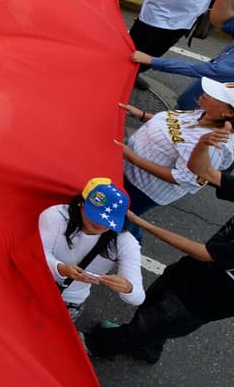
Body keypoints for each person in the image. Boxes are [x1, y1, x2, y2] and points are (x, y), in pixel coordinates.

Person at [86, 133, 234, 364]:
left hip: (209, 298)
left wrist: (143, 224)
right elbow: (202, 170)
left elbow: (205, 253)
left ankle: (95, 345)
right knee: (155, 306)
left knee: (155, 322)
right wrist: (204, 143)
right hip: (194, 269)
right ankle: (148, 348)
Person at [119, 76, 234, 237]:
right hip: (126, 168)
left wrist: (133, 158)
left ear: (228, 112)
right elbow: (175, 124)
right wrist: (142, 115)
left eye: (215, 96)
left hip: (140, 188)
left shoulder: (216, 145)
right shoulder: (205, 113)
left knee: (118, 222)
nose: (206, 93)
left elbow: (184, 178)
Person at [38, 177, 143, 321]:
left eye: (108, 220)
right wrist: (61, 268)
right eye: (95, 215)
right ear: (81, 203)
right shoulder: (56, 216)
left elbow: (138, 297)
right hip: (35, 281)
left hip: (70, 299)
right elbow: (37, 254)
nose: (100, 223)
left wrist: (128, 287)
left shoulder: (126, 242)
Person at [133, 0, 234, 111]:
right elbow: (220, 21)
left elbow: (207, 70)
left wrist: (152, 61)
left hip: (211, 111)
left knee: (182, 125)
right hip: (200, 97)